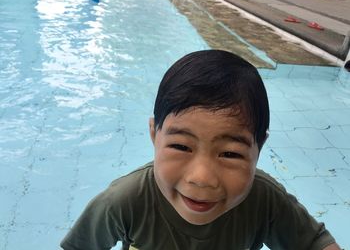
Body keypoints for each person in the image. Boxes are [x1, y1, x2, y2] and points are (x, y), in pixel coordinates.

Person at [61, 50, 341, 250]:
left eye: (230, 153)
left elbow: (315, 243)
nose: (202, 177)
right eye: (181, 146)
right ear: (153, 135)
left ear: (259, 147)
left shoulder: (264, 201)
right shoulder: (126, 200)